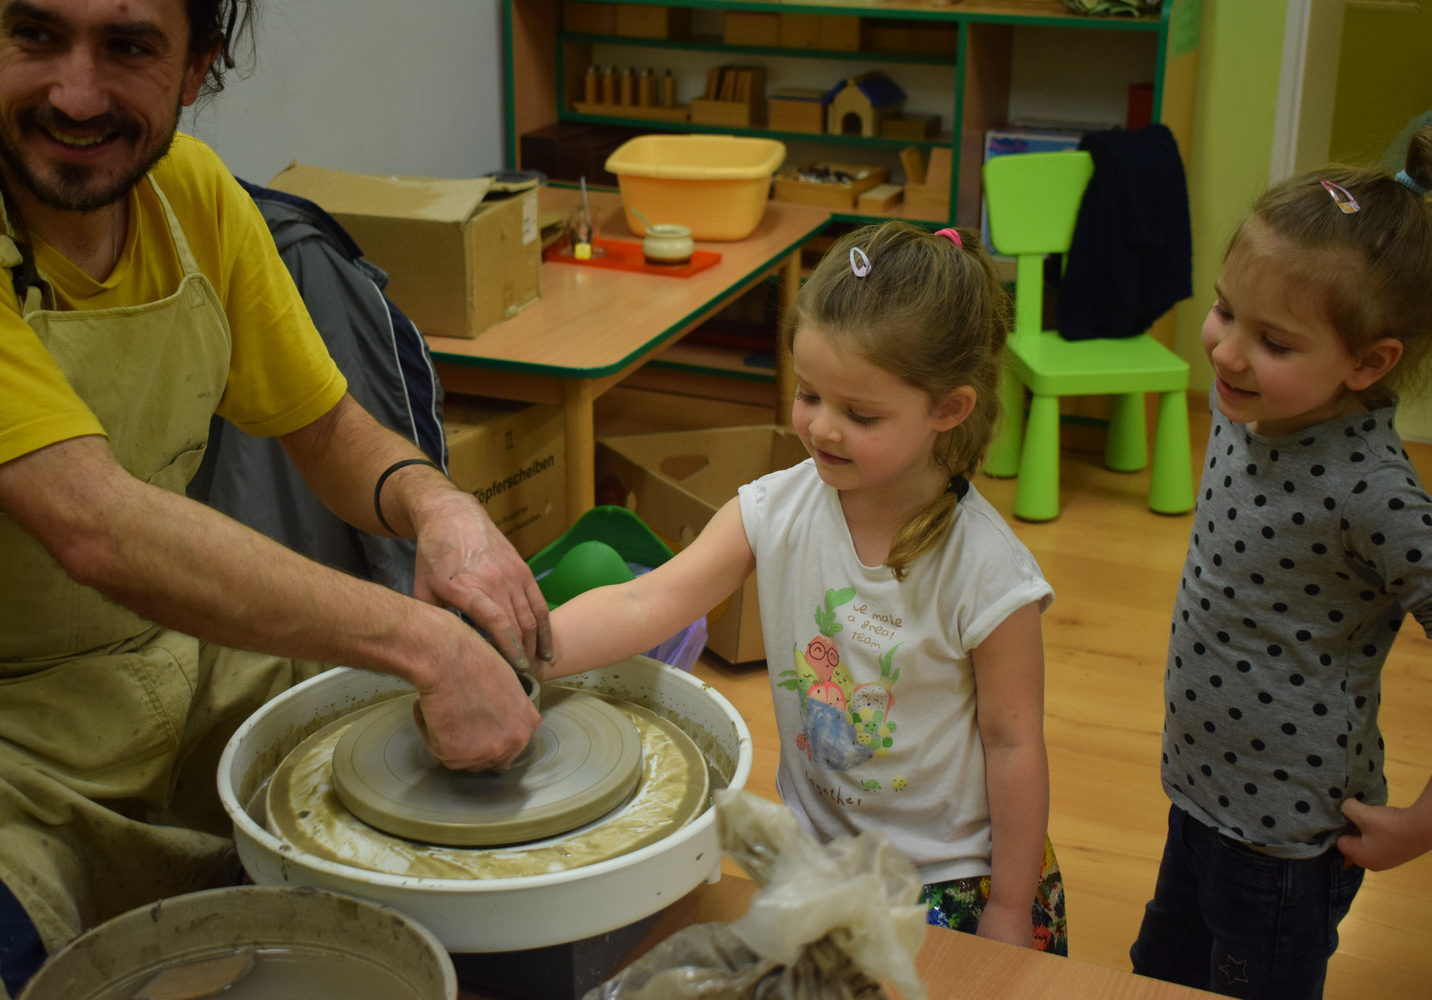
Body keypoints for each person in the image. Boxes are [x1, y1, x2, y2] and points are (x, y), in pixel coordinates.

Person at [0, 0, 551, 995]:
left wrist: (442, 509)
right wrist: (426, 642)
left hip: (168, 665)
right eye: (38, 36)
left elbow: (328, 429)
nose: (77, 94)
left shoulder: (193, 193)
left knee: (482, 795)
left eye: (128, 47)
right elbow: (96, 526)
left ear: (195, 66)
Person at [541, 221, 1068, 953]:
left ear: (948, 410)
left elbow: (1014, 746)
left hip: (947, 882)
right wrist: (522, 651)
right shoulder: (775, 508)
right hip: (818, 857)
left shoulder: (987, 570)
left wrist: (1008, 908)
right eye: (808, 394)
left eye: (860, 414)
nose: (821, 428)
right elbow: (646, 600)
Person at [1129, 130, 1432, 999]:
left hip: (1285, 846)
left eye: (1274, 341)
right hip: (1198, 794)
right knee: (1159, 975)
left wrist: (1421, 824)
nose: (1225, 352)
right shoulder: (1247, 405)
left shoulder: (1376, 496)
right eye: (1226, 311)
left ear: (1369, 363)